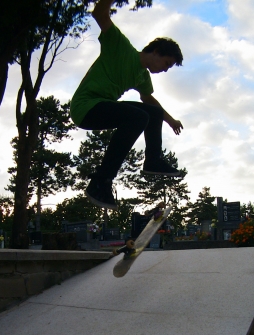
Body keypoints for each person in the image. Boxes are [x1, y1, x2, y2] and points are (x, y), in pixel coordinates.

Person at [70, 0, 184, 210]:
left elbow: (149, 101)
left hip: (102, 107)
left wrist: (170, 120)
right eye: (167, 63)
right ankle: (100, 181)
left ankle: (153, 160)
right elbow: (100, 14)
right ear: (156, 51)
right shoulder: (120, 46)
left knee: (151, 112)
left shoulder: (142, 76)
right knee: (138, 117)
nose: (166, 70)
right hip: (84, 107)